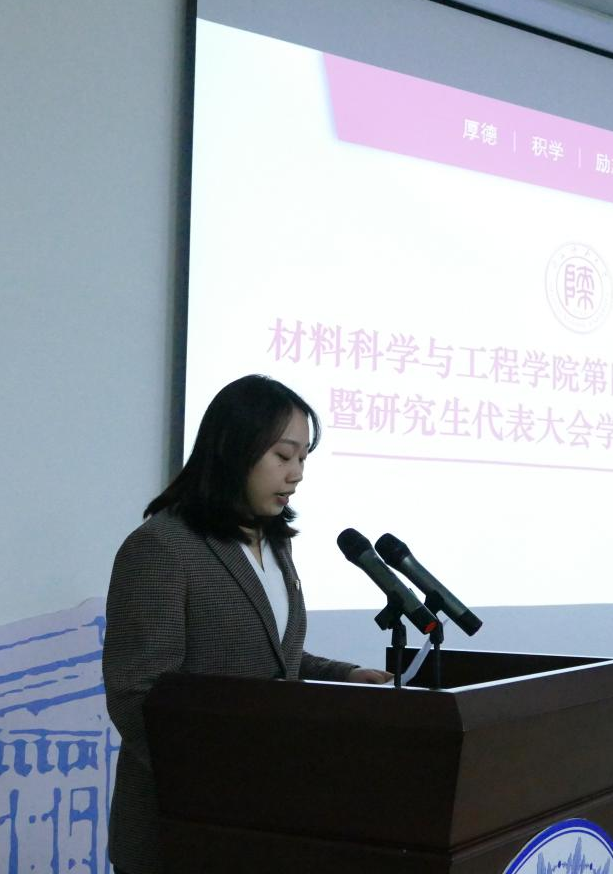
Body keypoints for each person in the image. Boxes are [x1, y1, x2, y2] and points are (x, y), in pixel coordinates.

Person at [102, 374, 390, 874]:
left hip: (266, 823)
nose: (296, 474)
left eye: (303, 459)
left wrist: (343, 676)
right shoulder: (162, 547)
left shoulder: (274, 544)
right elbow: (136, 695)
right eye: (283, 456)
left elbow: (272, 656)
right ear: (234, 449)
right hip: (182, 829)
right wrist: (228, 780)